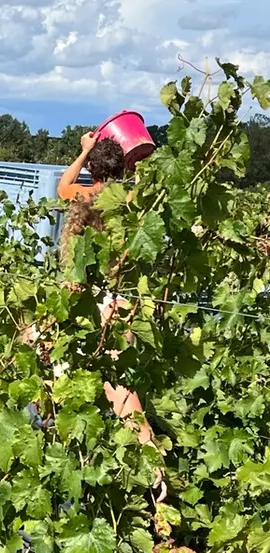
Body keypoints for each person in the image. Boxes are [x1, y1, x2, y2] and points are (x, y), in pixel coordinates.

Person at [55, 131, 166, 500]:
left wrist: (84, 150)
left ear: (92, 169)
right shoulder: (131, 203)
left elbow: (62, 187)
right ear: (123, 169)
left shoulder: (82, 197)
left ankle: (108, 474)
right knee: (122, 392)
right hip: (118, 304)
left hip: (85, 302)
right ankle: (146, 470)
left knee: (85, 389)